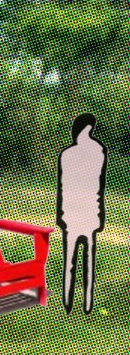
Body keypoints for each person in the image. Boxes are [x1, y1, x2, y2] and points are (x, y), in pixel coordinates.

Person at [57, 113, 107, 314]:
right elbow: (96, 188)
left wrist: (61, 215)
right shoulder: (97, 151)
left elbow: (66, 188)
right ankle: (81, 303)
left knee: (73, 261)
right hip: (84, 214)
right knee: (84, 261)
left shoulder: (69, 154)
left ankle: (74, 303)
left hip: (76, 214)